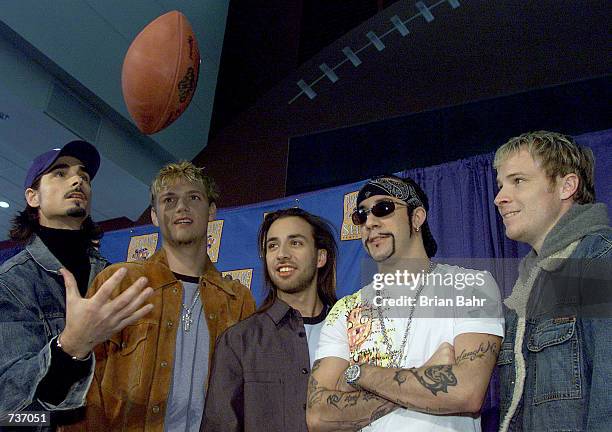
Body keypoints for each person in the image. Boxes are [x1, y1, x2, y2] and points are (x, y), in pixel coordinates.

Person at [66, 161, 256, 431]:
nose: (181, 207)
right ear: (154, 216)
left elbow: (247, 395)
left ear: (212, 211)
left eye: (193, 197)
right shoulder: (121, 282)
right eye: (169, 199)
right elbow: (85, 386)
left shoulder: (238, 300)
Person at [307, 174, 504, 431]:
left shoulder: (471, 285)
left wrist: (358, 375)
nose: (370, 223)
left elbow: (466, 392)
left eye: (383, 209)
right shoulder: (345, 310)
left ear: (417, 217)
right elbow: (318, 417)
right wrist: (425, 373)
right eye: (362, 216)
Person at [0, 140, 154, 430]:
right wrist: (70, 345)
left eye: (84, 176)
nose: (77, 179)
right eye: (60, 173)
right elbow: (7, 409)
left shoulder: (111, 276)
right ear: (33, 197)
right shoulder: (11, 283)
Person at [493, 131, 612, 431]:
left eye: (518, 181)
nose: (499, 198)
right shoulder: (525, 286)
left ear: (567, 186)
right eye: (501, 185)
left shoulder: (598, 261)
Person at [202, 208, 338, 432]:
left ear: (320, 257)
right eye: (272, 246)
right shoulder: (238, 342)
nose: (281, 254)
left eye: (295, 243)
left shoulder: (351, 331)